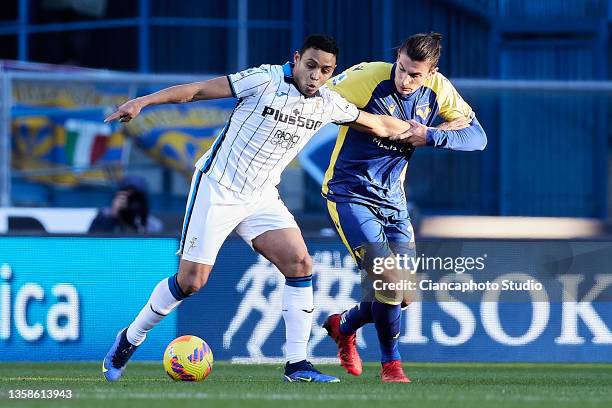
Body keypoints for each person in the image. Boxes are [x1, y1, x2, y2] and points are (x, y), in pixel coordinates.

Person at [102, 34, 418, 383]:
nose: (315, 75)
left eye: (325, 70)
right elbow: (198, 91)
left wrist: (428, 134)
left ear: (332, 73)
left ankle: (297, 365)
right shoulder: (264, 79)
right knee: (191, 282)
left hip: (261, 197)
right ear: (296, 59)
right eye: (310, 65)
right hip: (218, 188)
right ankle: (130, 339)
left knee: (300, 264)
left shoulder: (327, 103)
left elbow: (376, 123)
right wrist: (143, 102)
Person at [321, 32, 487, 382]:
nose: (405, 79)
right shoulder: (369, 76)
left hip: (394, 202)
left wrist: (431, 135)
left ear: (431, 72)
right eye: (402, 69)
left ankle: (343, 325)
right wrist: (364, 119)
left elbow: (477, 137)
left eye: (415, 74)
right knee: (391, 282)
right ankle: (390, 365)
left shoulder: (438, 89)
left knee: (403, 295)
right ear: (396, 59)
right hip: (349, 194)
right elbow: (317, 99)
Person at [89, 175, 163, 234]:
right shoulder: (103, 216)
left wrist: (141, 225)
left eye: (135, 198)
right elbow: (92, 244)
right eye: (127, 197)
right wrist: (112, 217)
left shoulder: (154, 225)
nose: (131, 202)